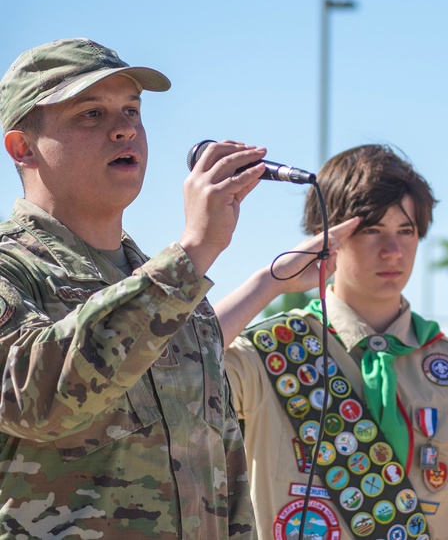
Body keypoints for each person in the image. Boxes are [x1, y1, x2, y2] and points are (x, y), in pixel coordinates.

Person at [0, 38, 261, 538]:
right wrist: (188, 259)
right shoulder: (14, 271)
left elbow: (226, 473)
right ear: (23, 148)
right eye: (90, 114)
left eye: (132, 111)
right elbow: (34, 404)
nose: (124, 129)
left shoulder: (182, 295)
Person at [218, 144, 448, 540]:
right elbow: (170, 364)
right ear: (325, 238)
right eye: (371, 230)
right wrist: (270, 282)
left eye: (406, 231)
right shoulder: (267, 351)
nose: (393, 251)